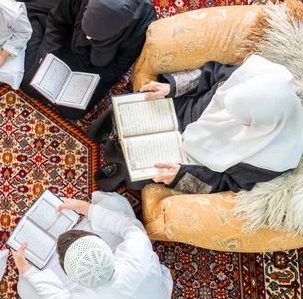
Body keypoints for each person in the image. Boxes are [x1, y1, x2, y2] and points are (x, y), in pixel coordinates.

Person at [88, 54, 303, 194]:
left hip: (188, 157)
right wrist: (171, 88)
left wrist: (180, 175)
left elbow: (226, 182)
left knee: (136, 169)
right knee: (130, 108)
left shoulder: (272, 159)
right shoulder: (260, 76)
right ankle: (103, 133)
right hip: (182, 108)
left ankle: (113, 166)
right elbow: (210, 74)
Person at [12, 191, 173, 299]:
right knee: (116, 202)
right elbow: (128, 225)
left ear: (70, 276)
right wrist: (85, 207)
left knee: (25, 287)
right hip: (158, 296)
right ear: (103, 244)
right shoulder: (136, 247)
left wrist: (26, 269)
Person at [16, 0, 157, 119]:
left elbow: (116, 68)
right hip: (71, 38)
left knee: (73, 111)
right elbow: (58, 21)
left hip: (102, 62)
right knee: (30, 83)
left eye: (95, 37)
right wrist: (48, 56)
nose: (89, 38)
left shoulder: (142, 27)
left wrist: (87, 83)